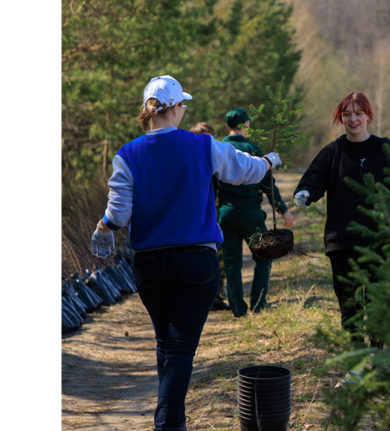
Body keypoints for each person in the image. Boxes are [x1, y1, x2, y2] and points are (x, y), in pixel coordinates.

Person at [90, 75, 282, 431]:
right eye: (183, 105)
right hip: (196, 262)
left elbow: (118, 213)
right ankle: (166, 424)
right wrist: (269, 161)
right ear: (176, 109)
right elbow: (246, 171)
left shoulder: (127, 154)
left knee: (166, 343)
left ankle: (174, 423)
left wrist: (103, 228)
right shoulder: (202, 145)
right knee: (179, 350)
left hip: (150, 266)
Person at [292, 92, 390, 342]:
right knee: (350, 307)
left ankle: (377, 363)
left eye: (358, 113)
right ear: (340, 118)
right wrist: (304, 193)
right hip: (341, 241)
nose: (353, 119)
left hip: (380, 240)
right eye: (347, 114)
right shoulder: (333, 152)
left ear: (368, 116)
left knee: (378, 304)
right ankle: (355, 365)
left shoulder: (386, 150)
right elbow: (314, 179)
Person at [217, 108, 294, 317]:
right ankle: (259, 305)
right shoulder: (254, 150)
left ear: (227, 127)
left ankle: (238, 310)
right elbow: (268, 184)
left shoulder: (219, 149)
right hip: (250, 215)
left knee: (232, 262)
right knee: (263, 256)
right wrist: (283, 211)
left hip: (226, 214)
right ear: (246, 125)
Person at [189, 122, 230, 312]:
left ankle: (215, 297)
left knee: (217, 258)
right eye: (208, 138)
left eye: (213, 137)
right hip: (196, 218)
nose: (212, 141)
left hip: (212, 215)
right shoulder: (195, 161)